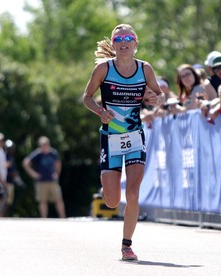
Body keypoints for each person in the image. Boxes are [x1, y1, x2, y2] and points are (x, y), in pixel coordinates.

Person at [82, 23, 164, 261]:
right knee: (111, 200)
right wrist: (100, 111)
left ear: (136, 43)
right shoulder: (103, 69)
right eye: (118, 38)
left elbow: (158, 94)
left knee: (134, 193)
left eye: (128, 37)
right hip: (111, 138)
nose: (123, 41)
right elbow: (86, 97)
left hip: (135, 136)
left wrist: (154, 98)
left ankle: (126, 245)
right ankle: (106, 181)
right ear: (114, 44)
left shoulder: (145, 68)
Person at [23, 136, 66, 218]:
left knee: (58, 200)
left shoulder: (53, 153)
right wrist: (33, 174)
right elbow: (26, 163)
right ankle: (44, 218)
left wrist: (57, 174)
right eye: (42, 145)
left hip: (52, 181)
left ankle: (63, 217)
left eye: (45, 145)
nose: (44, 147)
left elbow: (58, 164)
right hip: (41, 181)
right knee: (43, 201)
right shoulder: (37, 154)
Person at [4, 139, 25, 216]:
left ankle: (4, 216)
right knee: (5, 201)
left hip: (11, 182)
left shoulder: (12, 158)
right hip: (5, 182)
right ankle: (2, 216)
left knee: (9, 202)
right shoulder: (4, 157)